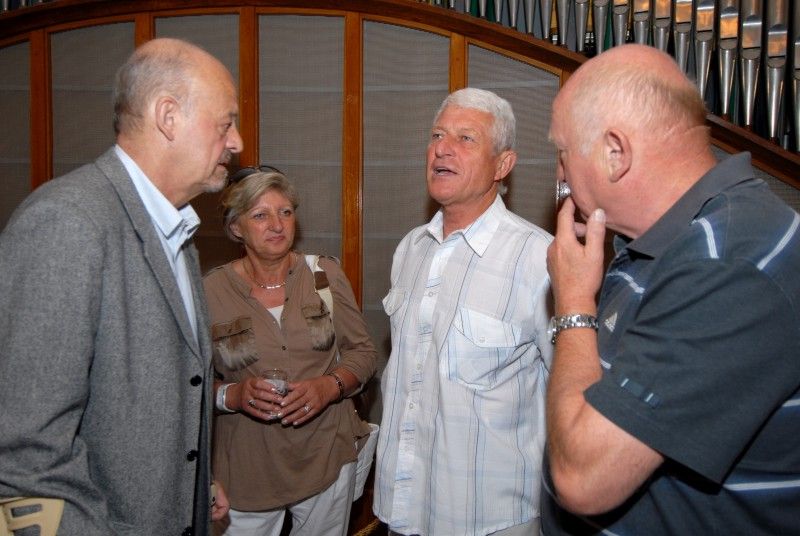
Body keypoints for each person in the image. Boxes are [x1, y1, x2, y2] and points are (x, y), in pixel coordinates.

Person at [543, 44, 800, 535]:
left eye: (562, 153)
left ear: (615, 153)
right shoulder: (660, 245)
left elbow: (583, 477)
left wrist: (574, 303)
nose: (559, 174)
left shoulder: (729, 258)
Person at [0, 38, 242, 535]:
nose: (237, 141)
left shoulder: (176, 231)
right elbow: (26, 457)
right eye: (225, 124)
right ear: (168, 116)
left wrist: (192, 485)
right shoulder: (67, 222)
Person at [373, 88, 554, 536]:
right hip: (403, 507)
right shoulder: (411, 248)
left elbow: (568, 391)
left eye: (466, 138)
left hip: (490, 518)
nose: (442, 148)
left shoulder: (539, 259)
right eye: (437, 134)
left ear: (503, 165)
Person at [203, 167, 377, 536]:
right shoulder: (209, 292)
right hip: (245, 472)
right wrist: (231, 395)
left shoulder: (324, 276)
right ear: (236, 227)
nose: (277, 225)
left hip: (325, 458)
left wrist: (329, 387)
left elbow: (363, 353)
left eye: (285, 212)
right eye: (260, 215)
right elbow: (186, 384)